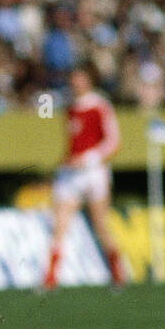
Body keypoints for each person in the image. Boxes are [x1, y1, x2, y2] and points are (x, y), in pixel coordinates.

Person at [43, 65, 126, 290]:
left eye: (80, 78)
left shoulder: (100, 105)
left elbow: (113, 142)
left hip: (94, 172)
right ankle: (50, 278)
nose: (76, 82)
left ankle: (117, 273)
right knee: (59, 226)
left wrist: (88, 159)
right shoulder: (69, 107)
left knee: (101, 225)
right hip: (71, 174)